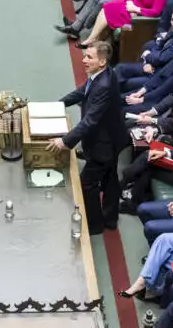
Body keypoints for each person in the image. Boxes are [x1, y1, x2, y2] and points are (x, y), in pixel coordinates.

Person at [48, 42, 125, 234]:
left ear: (102, 61)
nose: (84, 60)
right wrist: (57, 105)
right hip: (113, 137)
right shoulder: (104, 75)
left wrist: (65, 141)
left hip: (104, 145)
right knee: (109, 179)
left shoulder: (104, 86)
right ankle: (110, 219)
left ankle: (94, 225)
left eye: (89, 57)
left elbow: (89, 121)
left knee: (87, 183)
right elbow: (83, 91)